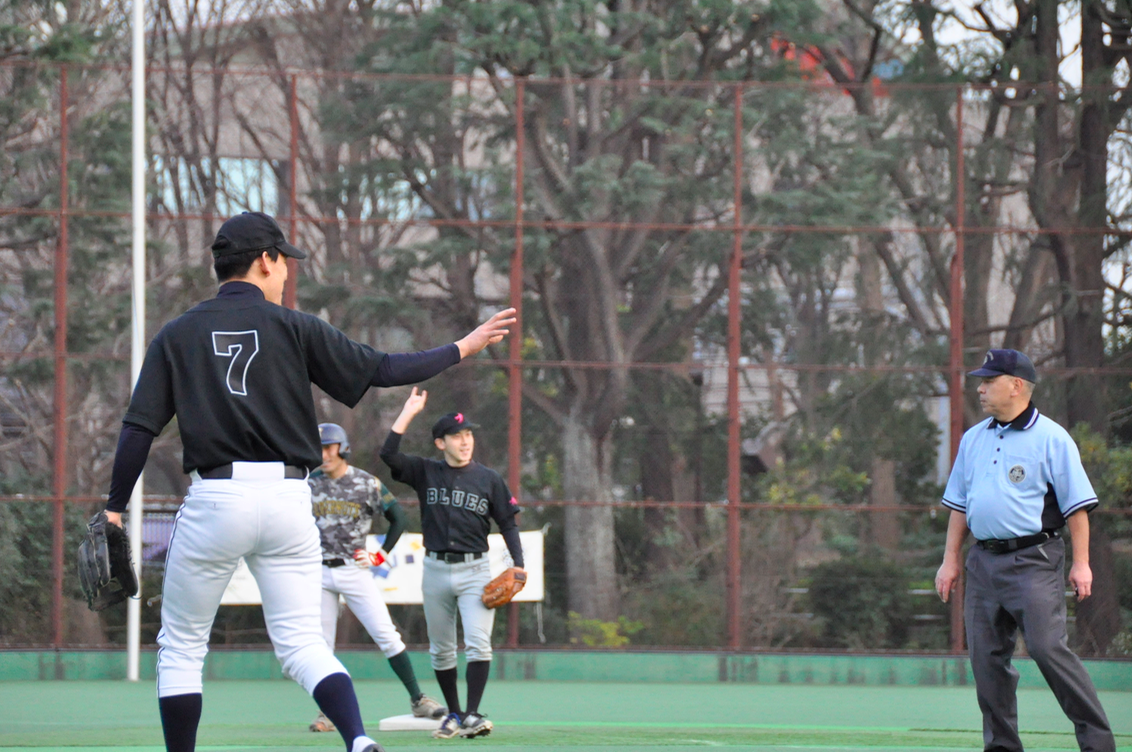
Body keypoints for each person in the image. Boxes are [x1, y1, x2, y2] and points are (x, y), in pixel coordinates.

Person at [100, 211, 515, 752]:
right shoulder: (295, 327)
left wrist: (114, 508)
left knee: (181, 647)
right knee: (302, 643)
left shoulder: (177, 334)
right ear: (265, 260)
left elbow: (139, 428)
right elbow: (385, 368)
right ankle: (357, 739)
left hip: (216, 499)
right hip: (289, 499)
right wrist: (463, 346)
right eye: (283, 262)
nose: (285, 273)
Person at [935, 349, 1115, 752]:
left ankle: (1099, 744)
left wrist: (1082, 564)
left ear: (1016, 385)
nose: (980, 389)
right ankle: (1002, 747)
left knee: (1048, 649)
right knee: (986, 661)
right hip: (982, 562)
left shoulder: (1052, 437)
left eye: (989, 381)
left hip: (1034, 561)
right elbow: (959, 505)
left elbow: (1077, 508)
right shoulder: (973, 439)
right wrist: (950, 560)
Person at [379, 388, 523, 739]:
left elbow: (507, 523)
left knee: (478, 643)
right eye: (457, 436)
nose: (465, 441)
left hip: (475, 570)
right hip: (435, 570)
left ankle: (471, 714)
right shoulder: (425, 471)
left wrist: (518, 564)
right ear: (440, 443)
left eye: (468, 434)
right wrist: (408, 412)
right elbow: (389, 454)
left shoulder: (488, 479)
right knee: (442, 650)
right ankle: (454, 714)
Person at [307, 422, 446, 733]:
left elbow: (399, 518)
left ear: (342, 448)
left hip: (352, 570)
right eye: (320, 448)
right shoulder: (308, 483)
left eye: (329, 447)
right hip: (317, 571)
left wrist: (379, 555)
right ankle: (326, 712)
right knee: (321, 645)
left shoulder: (365, 482)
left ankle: (418, 698)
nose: (324, 454)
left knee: (386, 635)